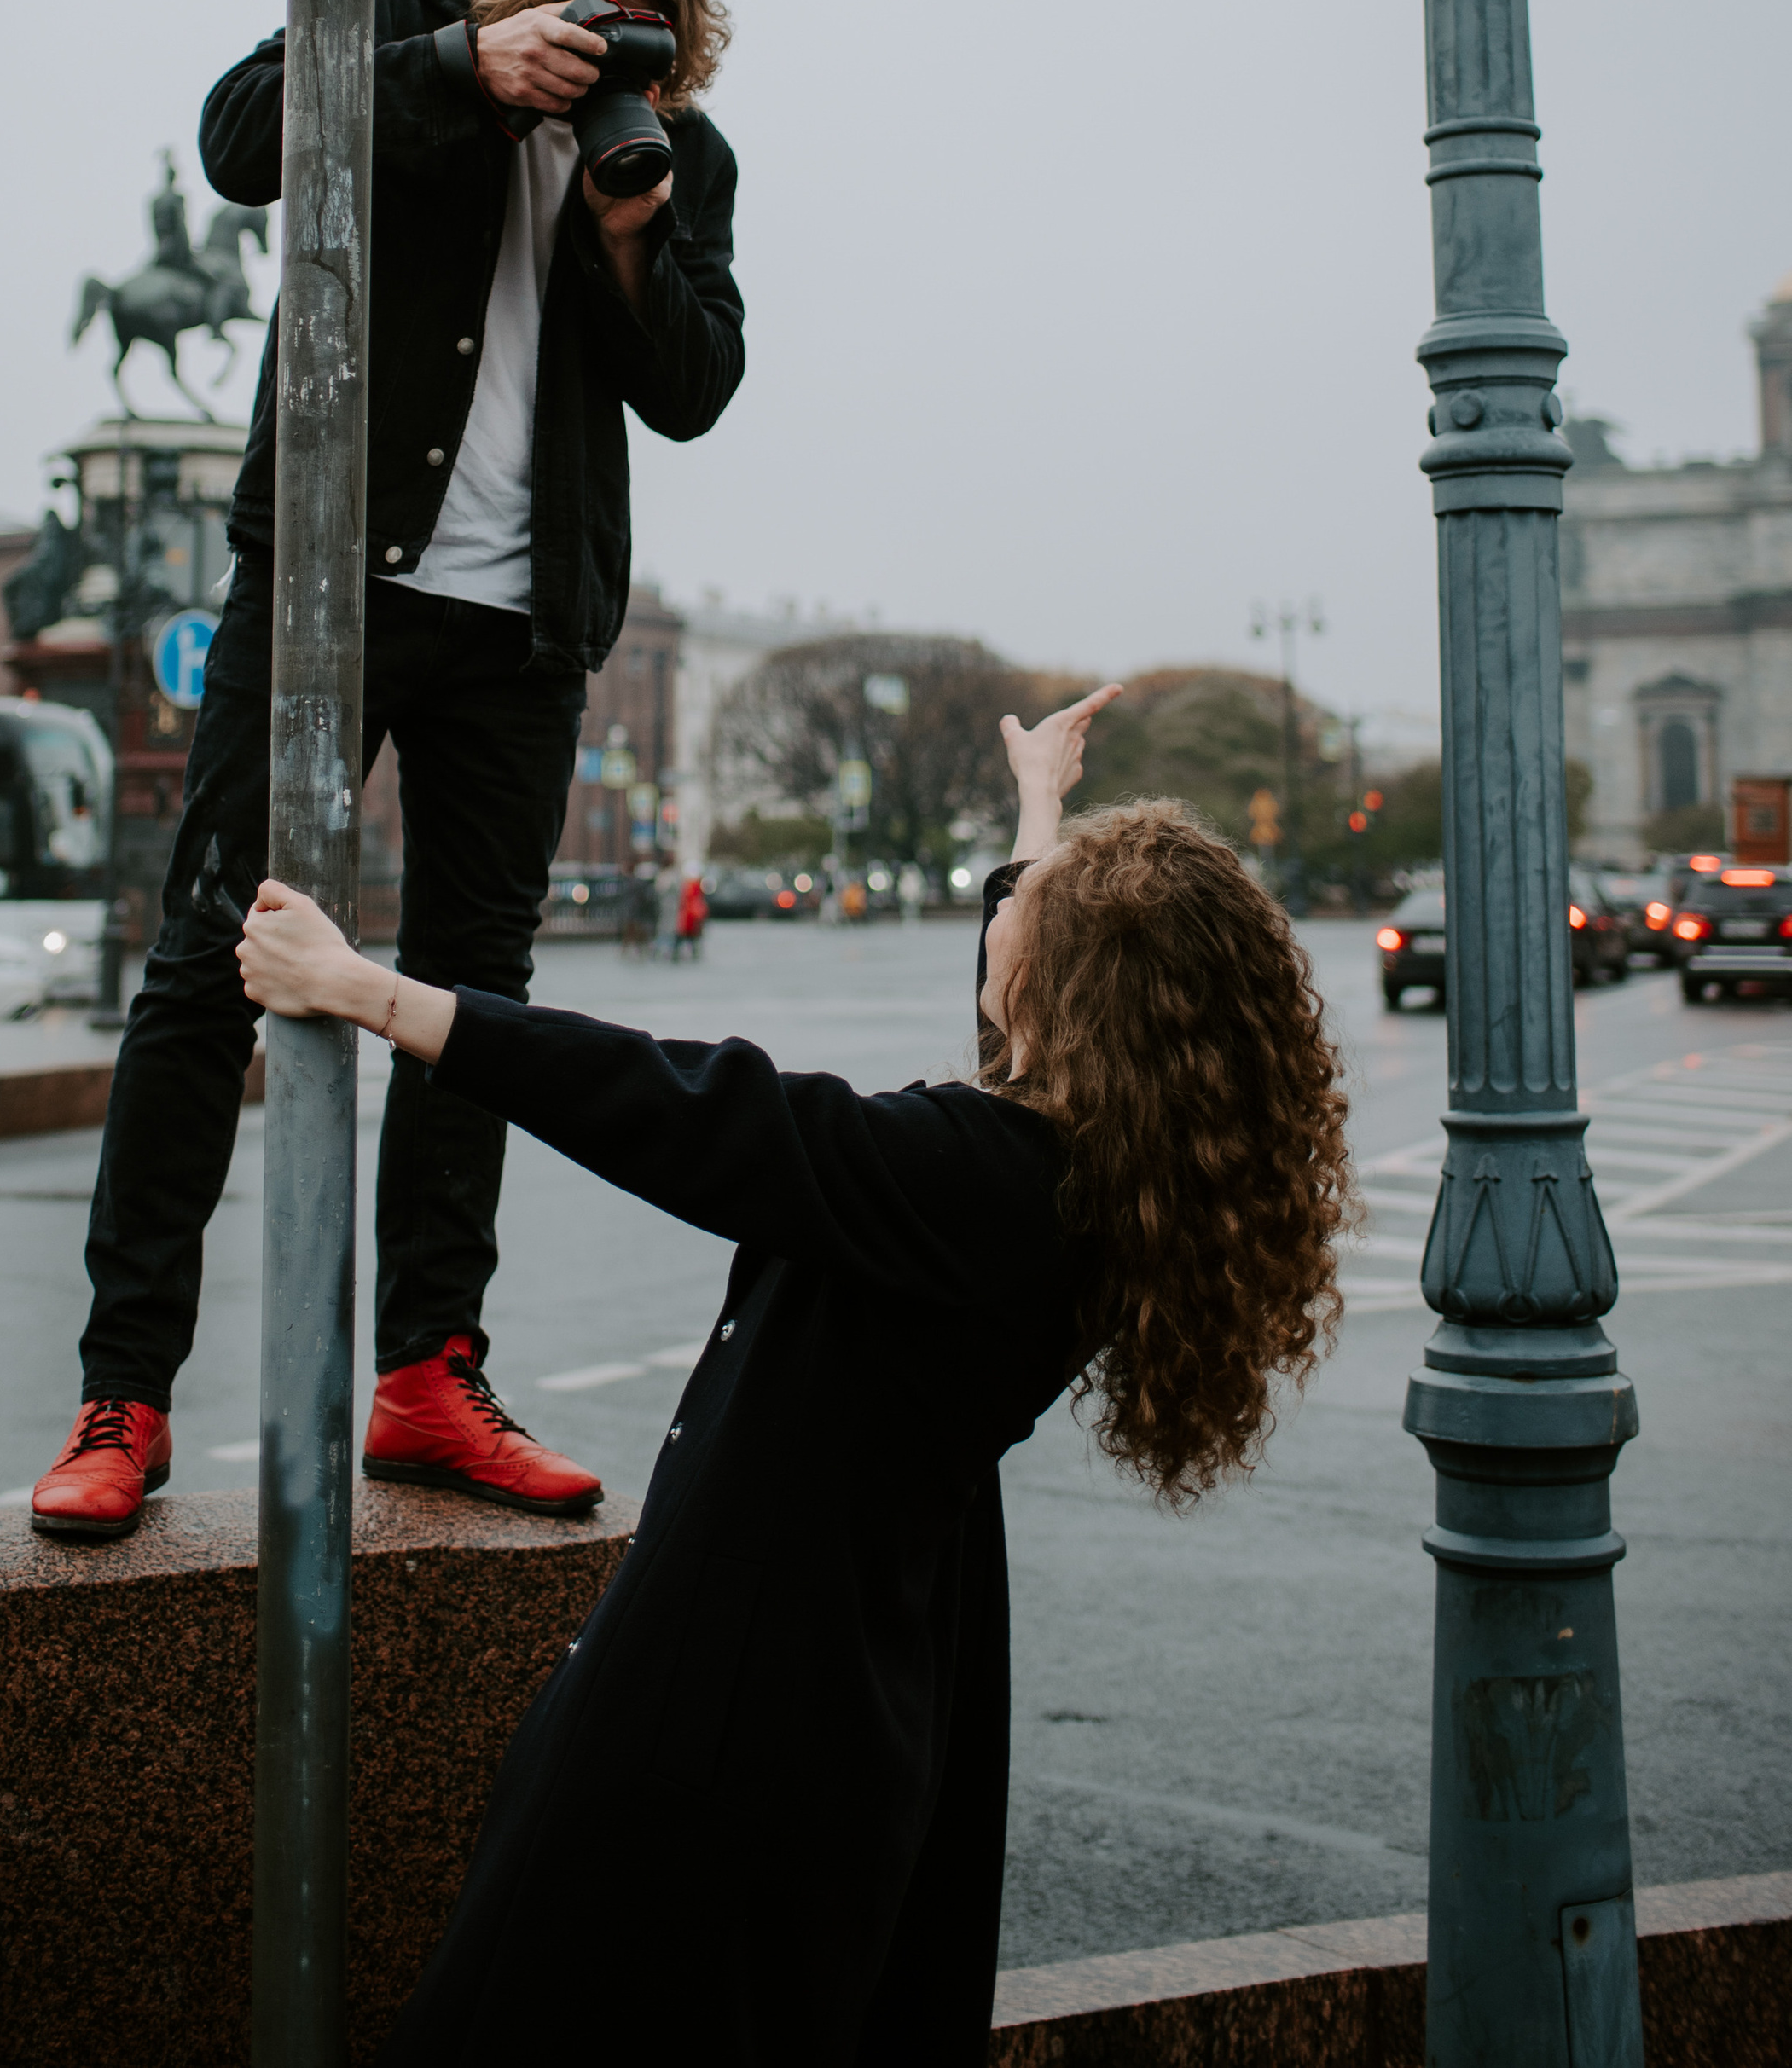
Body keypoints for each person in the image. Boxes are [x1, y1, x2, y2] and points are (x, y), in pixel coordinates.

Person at [238, 686, 1356, 2065]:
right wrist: (1037, 818)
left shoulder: (965, 1175)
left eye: (1025, 904)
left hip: (716, 1750)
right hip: (828, 1725)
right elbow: (1012, 1042)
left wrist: (369, 992)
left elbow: (691, 1109)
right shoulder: (1091, 1183)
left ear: (1071, 983)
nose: (1001, 908)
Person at [31, 0, 744, 1540]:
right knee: (210, 959)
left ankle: (428, 1374)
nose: (610, 59)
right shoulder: (405, 12)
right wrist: (463, 71)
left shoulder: (675, 153)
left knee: (471, 998)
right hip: (326, 587)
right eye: (590, 20)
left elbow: (695, 388)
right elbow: (237, 143)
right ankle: (121, 1393)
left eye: (646, 40)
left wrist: (633, 234)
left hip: (522, 630)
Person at [671, 866, 708, 958]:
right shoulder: (691, 886)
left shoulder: (692, 886)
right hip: (688, 917)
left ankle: (683, 953)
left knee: (689, 938)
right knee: (687, 938)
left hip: (690, 917)